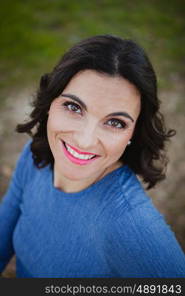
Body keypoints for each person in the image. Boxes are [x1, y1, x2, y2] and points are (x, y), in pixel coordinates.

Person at [0, 34, 185, 278]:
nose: (85, 140)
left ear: (133, 132)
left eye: (115, 122)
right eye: (74, 107)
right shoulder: (35, 156)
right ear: (50, 102)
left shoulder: (134, 227)